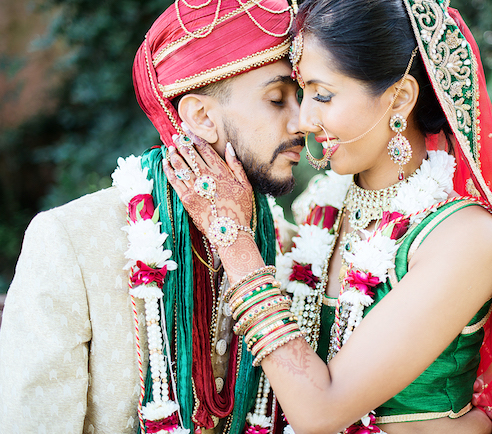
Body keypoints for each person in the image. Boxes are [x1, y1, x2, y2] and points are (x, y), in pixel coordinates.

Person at [164, 0, 492, 434]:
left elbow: (320, 412)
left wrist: (233, 240)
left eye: (323, 95)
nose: (305, 121)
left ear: (399, 98)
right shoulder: (323, 211)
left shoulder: (462, 237)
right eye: (298, 92)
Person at [0, 1, 303, 433]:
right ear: (201, 117)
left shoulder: (287, 247)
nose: (303, 122)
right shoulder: (74, 242)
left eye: (304, 97)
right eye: (277, 99)